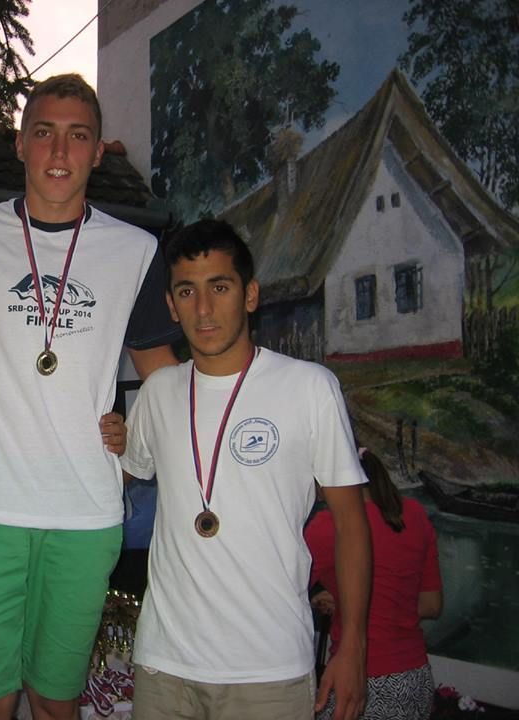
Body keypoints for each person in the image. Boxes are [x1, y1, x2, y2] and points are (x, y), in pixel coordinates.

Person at [0, 73, 180, 719]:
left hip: (85, 513)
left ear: (98, 151)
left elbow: (165, 380)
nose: (60, 151)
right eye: (44, 133)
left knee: (57, 701)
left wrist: (139, 438)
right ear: (20, 144)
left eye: (77, 136)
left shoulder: (136, 250)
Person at [120, 218, 373, 720]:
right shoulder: (158, 393)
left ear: (250, 294)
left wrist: (353, 647)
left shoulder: (309, 387)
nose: (203, 308)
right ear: (171, 305)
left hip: (269, 671)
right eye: (187, 292)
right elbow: (111, 479)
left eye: (219, 287)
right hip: (164, 667)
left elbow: (351, 524)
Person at [306, 447, 443, 720]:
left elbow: (281, 596)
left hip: (362, 680)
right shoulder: (414, 514)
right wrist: (347, 600)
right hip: (415, 678)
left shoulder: (328, 526)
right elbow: (431, 604)